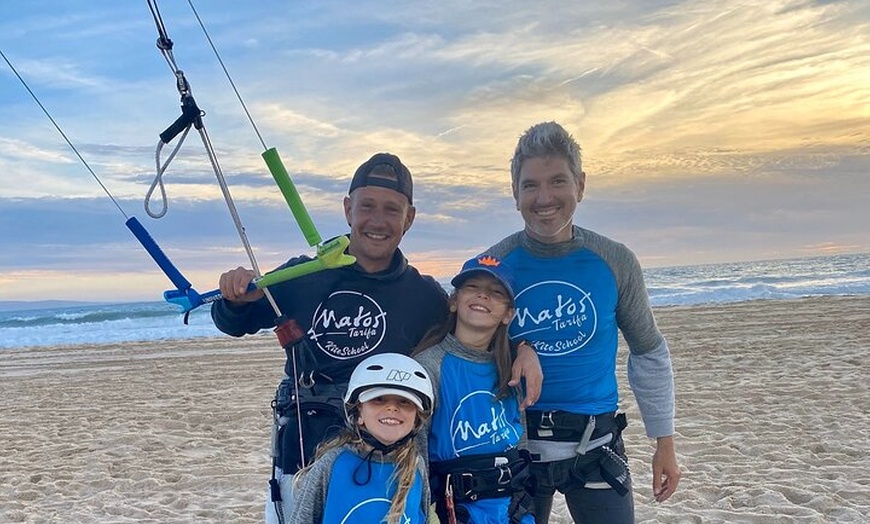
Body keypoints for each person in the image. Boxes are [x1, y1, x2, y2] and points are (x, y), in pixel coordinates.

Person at [210, 152, 542, 523]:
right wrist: (235, 296)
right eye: (367, 206)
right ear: (348, 208)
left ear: (409, 218)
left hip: (387, 455)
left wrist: (521, 347)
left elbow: (474, 333)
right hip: (303, 449)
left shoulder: (425, 296)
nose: (378, 221)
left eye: (392, 209)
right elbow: (233, 321)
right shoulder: (302, 274)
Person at [484, 121, 681, 524]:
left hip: (596, 445)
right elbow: (463, 349)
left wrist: (664, 442)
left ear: (581, 185)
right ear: (514, 193)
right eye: (530, 185)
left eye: (557, 181)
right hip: (514, 445)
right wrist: (519, 348)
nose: (544, 198)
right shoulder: (493, 265)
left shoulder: (614, 260)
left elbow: (648, 350)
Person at [414, 255, 536, 524]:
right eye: (472, 287)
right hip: (455, 510)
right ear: (454, 301)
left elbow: (520, 440)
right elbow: (416, 452)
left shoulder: (512, 367)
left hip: (514, 509)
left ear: (508, 315)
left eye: (495, 292)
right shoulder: (427, 365)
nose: (483, 296)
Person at [290, 352, 434, 524]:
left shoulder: (416, 467)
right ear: (359, 413)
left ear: (416, 419)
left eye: (404, 402)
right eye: (378, 399)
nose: (392, 408)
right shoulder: (332, 462)